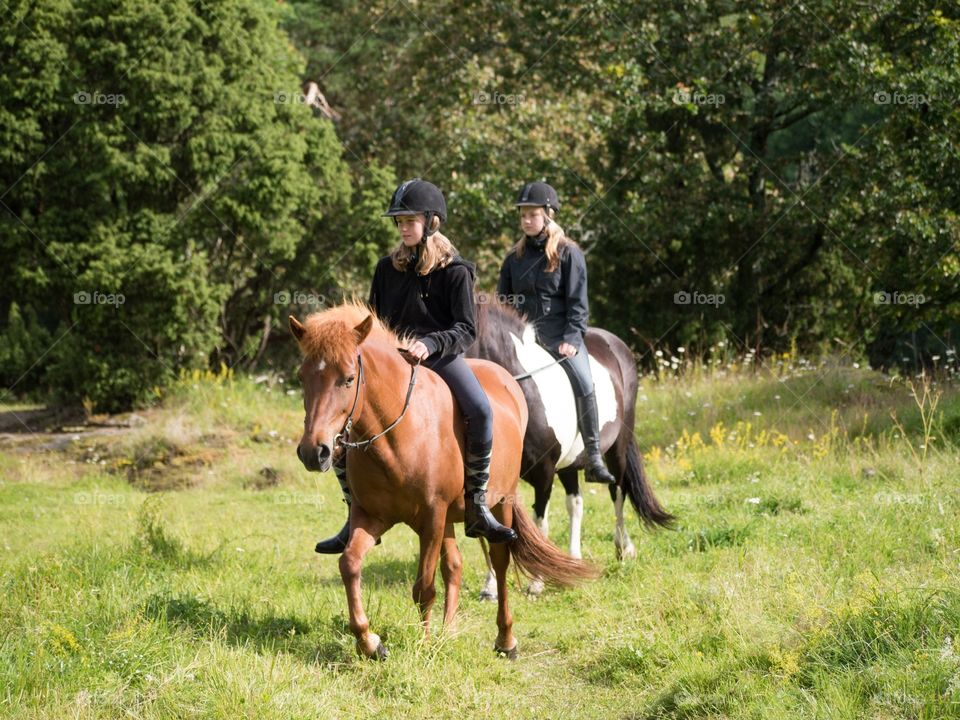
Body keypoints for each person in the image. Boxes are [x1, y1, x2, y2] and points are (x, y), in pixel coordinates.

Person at [315, 179, 517, 553]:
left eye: (411, 220)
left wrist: (429, 343)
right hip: (392, 365)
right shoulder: (386, 269)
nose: (404, 227)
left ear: (431, 222)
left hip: (441, 359)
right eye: (399, 221)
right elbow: (375, 321)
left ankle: (477, 504)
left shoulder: (456, 271)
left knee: (482, 410)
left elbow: (466, 328)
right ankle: (352, 512)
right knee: (346, 422)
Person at [497, 181, 615, 484]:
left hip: (562, 339)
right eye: (522, 215)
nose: (526, 220)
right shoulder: (514, 259)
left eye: (532, 215)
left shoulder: (568, 254)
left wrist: (572, 340)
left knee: (585, 382)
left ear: (548, 214)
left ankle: (594, 456)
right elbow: (503, 304)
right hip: (525, 342)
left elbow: (578, 305)